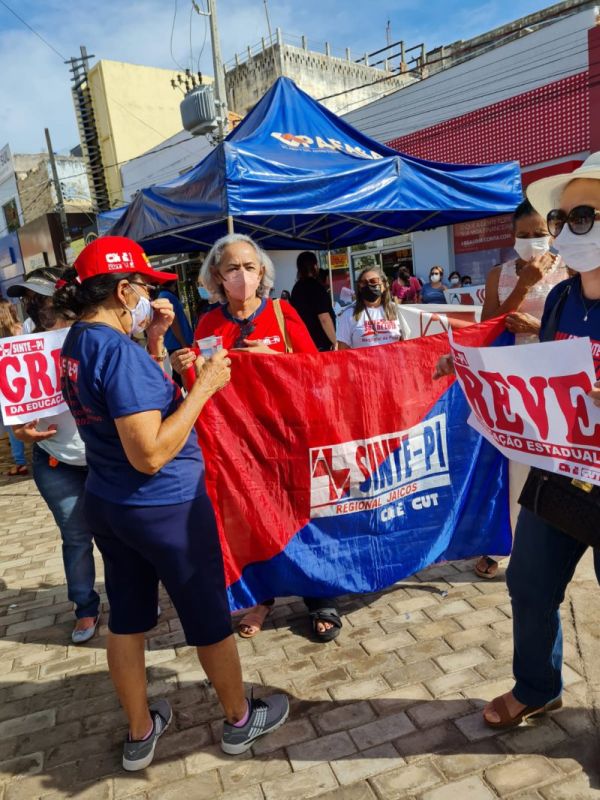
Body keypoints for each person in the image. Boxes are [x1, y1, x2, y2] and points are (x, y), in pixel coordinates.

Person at [54, 235, 288, 770]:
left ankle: (140, 731)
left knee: (127, 620)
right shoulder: (116, 352)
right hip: (165, 508)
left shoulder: (79, 341)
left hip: (110, 502)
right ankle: (238, 721)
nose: (148, 298)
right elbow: (151, 453)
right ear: (122, 292)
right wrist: (204, 387)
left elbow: (127, 405)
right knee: (207, 617)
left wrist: (155, 343)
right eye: (142, 287)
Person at [171, 233, 342, 642]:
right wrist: (183, 368)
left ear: (262, 271)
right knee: (251, 518)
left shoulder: (282, 312)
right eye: (232, 268)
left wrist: (275, 361)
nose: (242, 275)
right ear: (217, 275)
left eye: (249, 267)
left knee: (301, 514)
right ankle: (261, 598)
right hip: (238, 443)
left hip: (288, 436)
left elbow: (315, 371)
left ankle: (318, 597)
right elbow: (201, 386)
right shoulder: (209, 323)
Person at [480, 153, 600, 729]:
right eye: (562, 219)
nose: (564, 231)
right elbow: (543, 377)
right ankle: (537, 686)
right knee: (527, 580)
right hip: (560, 473)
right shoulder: (560, 300)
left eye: (583, 216)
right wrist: (472, 374)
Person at [474, 199, 568, 579]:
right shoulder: (499, 274)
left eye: (539, 233)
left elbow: (575, 326)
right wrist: (524, 284)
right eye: (524, 234)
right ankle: (504, 543)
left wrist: (537, 327)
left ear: (552, 234)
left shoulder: (569, 269)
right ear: (512, 237)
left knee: (550, 462)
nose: (532, 240)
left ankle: (551, 541)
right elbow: (487, 327)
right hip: (510, 379)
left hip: (554, 378)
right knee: (512, 462)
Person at [10, 274, 100, 644]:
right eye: (28, 299)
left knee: (119, 533)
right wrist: (21, 433)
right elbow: (15, 411)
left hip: (103, 455)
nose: (35, 305)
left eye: (41, 296)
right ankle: (85, 607)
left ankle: (134, 597)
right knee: (76, 537)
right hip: (55, 460)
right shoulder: (21, 344)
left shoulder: (92, 333)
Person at [337, 266, 409, 350]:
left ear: (384, 285)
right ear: (359, 288)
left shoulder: (397, 311)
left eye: (373, 281)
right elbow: (343, 351)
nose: (369, 285)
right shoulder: (348, 315)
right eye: (364, 283)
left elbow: (407, 344)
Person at [0, 300, 28, 476]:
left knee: (12, 425)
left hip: (3, 386)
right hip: (23, 382)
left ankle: (20, 462)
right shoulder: (21, 330)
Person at [290, 251, 336, 351]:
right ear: (315, 266)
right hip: (321, 343)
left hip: (304, 341)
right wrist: (335, 341)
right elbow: (324, 318)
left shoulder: (296, 288)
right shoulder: (317, 287)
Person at [157, 281, 193, 386]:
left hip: (173, 343)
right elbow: (173, 323)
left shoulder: (163, 295)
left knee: (180, 374)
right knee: (182, 374)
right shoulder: (167, 296)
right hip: (176, 343)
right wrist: (183, 343)